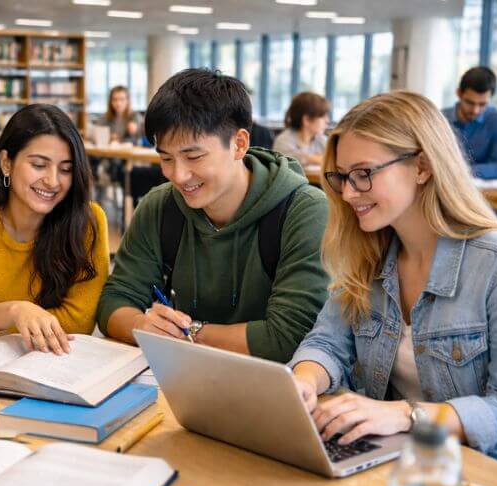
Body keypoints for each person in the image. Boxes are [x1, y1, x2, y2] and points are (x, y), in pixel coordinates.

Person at [289, 91, 497, 466]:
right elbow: (327, 343)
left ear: (422, 167)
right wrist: (303, 382)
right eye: (342, 177)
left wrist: (404, 414)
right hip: (398, 465)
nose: (347, 193)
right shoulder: (369, 253)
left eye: (363, 174)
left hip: (480, 480)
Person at [97, 69, 330, 361]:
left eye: (194, 157)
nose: (178, 176)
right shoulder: (160, 206)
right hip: (184, 381)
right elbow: (114, 301)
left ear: (239, 144)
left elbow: (290, 335)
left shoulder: (304, 210)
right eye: (166, 158)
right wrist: (141, 324)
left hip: (281, 389)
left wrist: (188, 332)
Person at [0, 104, 110, 354]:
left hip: (52, 367)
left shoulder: (88, 221)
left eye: (66, 169)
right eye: (39, 165)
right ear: (6, 163)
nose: (52, 181)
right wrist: (15, 312)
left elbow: (79, 321)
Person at [442, 66, 497, 180]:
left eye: (482, 104)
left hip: (484, 193)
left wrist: (461, 172)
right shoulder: (440, 119)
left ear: (490, 97)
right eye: (469, 102)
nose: (475, 110)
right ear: (458, 93)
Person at [273, 91, 330, 168]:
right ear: (306, 120)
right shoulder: (283, 141)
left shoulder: (321, 139)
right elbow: (291, 162)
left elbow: (333, 160)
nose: (327, 121)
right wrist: (315, 159)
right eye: (322, 116)